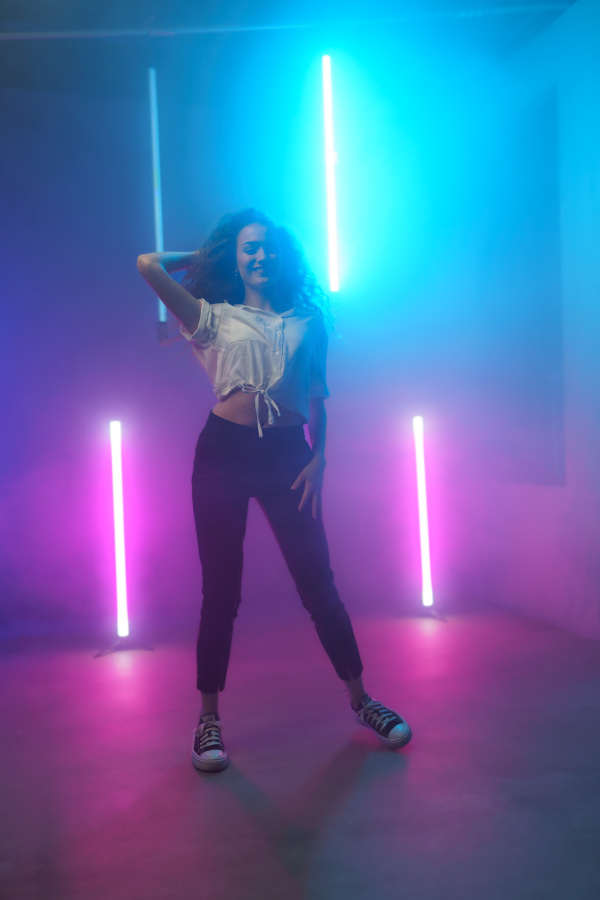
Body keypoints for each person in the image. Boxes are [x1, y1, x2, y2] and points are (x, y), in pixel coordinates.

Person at [137, 208, 412, 772]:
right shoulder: (210, 317)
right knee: (222, 595)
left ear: (282, 256)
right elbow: (147, 264)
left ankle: (364, 701)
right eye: (248, 249)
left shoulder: (308, 321)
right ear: (235, 259)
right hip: (222, 457)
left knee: (320, 587)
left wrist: (320, 457)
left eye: (267, 248)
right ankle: (208, 721)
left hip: (289, 458)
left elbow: (318, 399)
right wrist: (204, 257)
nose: (260, 256)